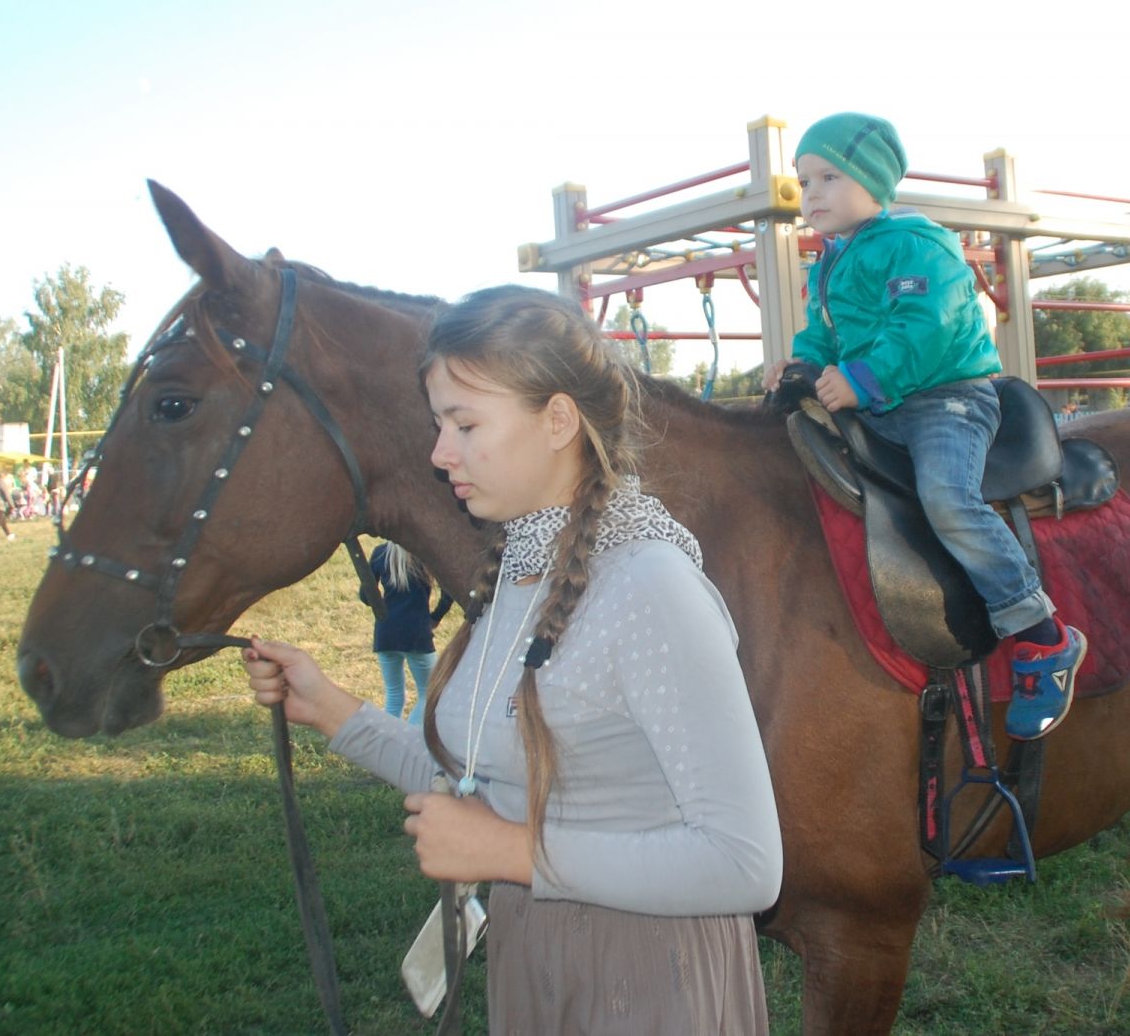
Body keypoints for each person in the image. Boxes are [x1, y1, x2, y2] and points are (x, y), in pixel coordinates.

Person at [242, 286, 782, 1034]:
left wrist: (513, 851)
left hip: (648, 980)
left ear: (558, 419)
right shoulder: (521, 574)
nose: (439, 453)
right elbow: (480, 782)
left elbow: (746, 863)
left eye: (465, 423)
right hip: (535, 956)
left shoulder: (650, 588)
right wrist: (329, 706)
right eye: (439, 424)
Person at [776, 111, 1086, 740]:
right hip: (880, 402)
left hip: (947, 398)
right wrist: (802, 364)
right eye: (805, 181)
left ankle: (1039, 633)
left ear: (874, 182)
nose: (812, 195)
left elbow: (926, 324)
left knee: (946, 498)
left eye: (829, 177)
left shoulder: (916, 244)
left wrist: (859, 379)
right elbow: (822, 331)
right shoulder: (830, 264)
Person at [370, 540, 442, 726]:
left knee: (394, 696)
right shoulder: (423, 552)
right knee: (430, 694)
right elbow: (448, 593)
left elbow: (366, 594)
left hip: (385, 632)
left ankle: (388, 738)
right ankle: (410, 737)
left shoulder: (380, 553)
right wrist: (436, 616)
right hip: (416, 633)